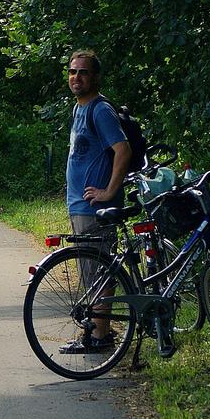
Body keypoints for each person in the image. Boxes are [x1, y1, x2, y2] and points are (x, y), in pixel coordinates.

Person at [60, 49, 131, 354]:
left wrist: (108, 192)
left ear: (95, 77)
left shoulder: (100, 110)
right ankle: (98, 332)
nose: (77, 77)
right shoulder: (79, 108)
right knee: (91, 270)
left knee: (98, 271)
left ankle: (100, 336)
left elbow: (123, 150)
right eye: (73, 71)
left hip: (95, 209)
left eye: (84, 72)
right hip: (80, 206)